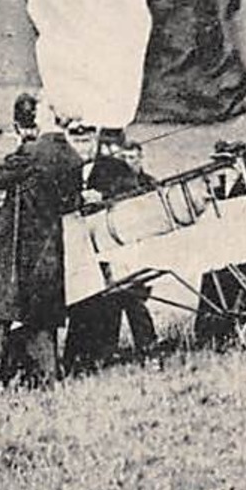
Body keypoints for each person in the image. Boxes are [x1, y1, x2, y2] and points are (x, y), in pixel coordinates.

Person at [0, 92, 83, 392]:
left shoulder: (32, 153)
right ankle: (49, 383)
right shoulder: (72, 157)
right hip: (48, 251)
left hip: (16, 251)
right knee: (41, 323)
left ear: (42, 117)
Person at [64, 130, 158, 373]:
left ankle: (148, 350)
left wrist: (103, 197)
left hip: (114, 242)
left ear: (94, 142)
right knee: (88, 301)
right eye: (76, 141)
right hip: (82, 246)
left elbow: (132, 193)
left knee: (129, 295)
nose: (81, 147)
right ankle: (90, 358)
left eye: (86, 141)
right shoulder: (66, 169)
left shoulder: (115, 167)